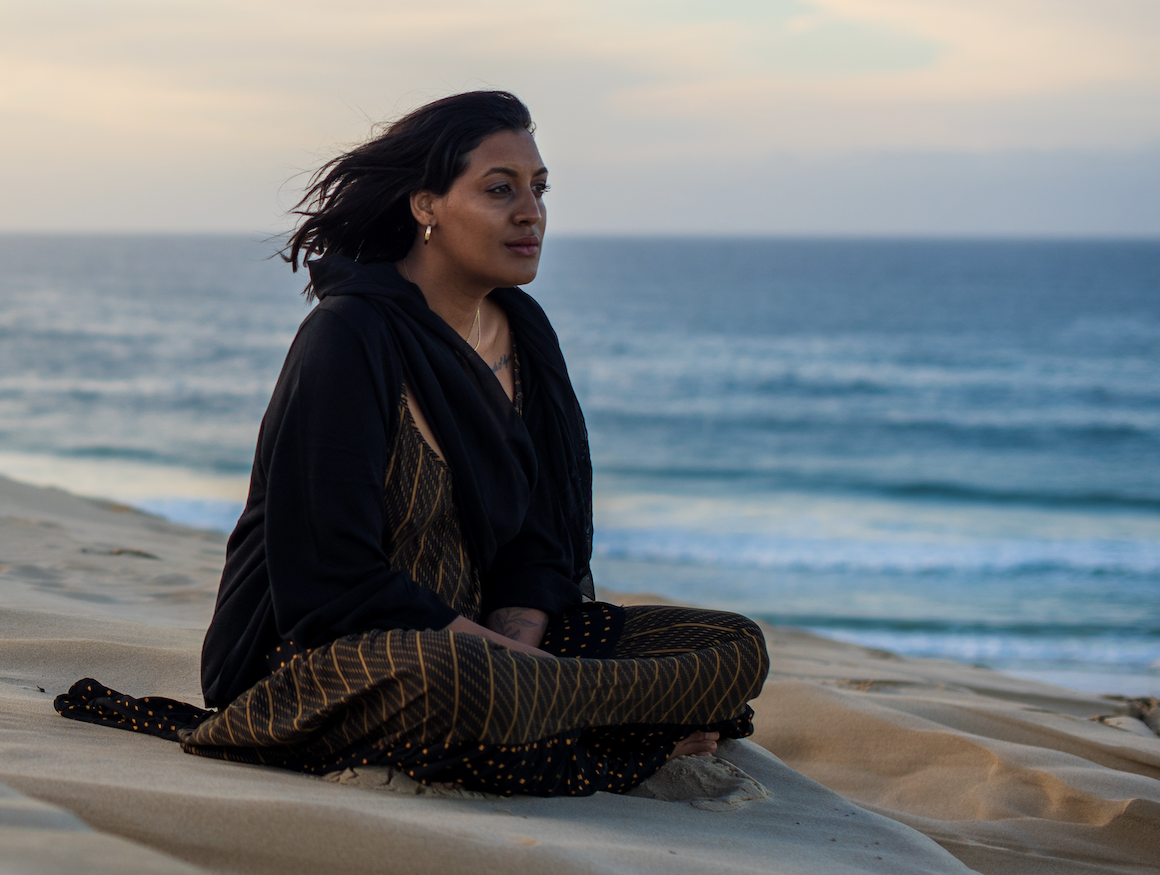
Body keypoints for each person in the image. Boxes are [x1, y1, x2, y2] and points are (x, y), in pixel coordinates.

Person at [56, 90, 767, 796]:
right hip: (331, 658)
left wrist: (523, 654)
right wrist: (526, 672)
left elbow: (539, 540)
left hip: (493, 654)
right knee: (460, 681)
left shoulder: (524, 332)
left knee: (732, 644)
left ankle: (565, 713)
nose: (532, 213)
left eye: (539, 189)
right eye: (499, 189)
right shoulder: (349, 338)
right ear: (426, 205)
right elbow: (331, 580)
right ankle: (612, 719)